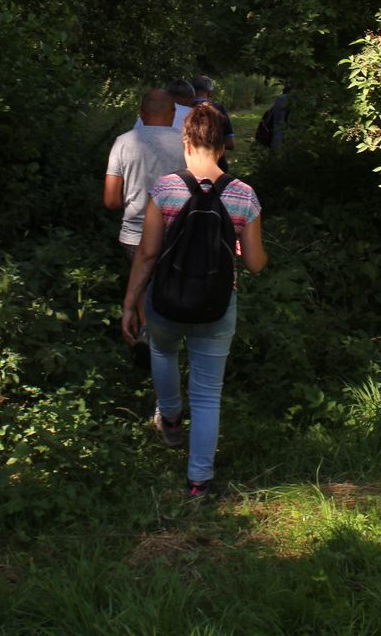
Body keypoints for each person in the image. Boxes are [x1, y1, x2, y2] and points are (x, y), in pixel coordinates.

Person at [120, 102, 267, 498]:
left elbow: (147, 255)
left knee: (163, 352)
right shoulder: (244, 195)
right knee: (206, 394)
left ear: (186, 143)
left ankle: (169, 418)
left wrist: (130, 303)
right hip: (216, 307)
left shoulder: (165, 189)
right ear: (221, 146)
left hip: (165, 301)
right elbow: (255, 264)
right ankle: (199, 482)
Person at [103, 89, 186, 268]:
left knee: (141, 283)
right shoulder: (188, 144)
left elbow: (111, 201)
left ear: (141, 114)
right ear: (173, 113)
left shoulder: (122, 142)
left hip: (134, 237)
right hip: (178, 236)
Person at [190, 74, 235, 153]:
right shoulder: (218, 109)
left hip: (189, 158)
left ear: (192, 90)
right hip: (216, 158)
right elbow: (230, 143)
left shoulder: (183, 108)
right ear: (209, 92)